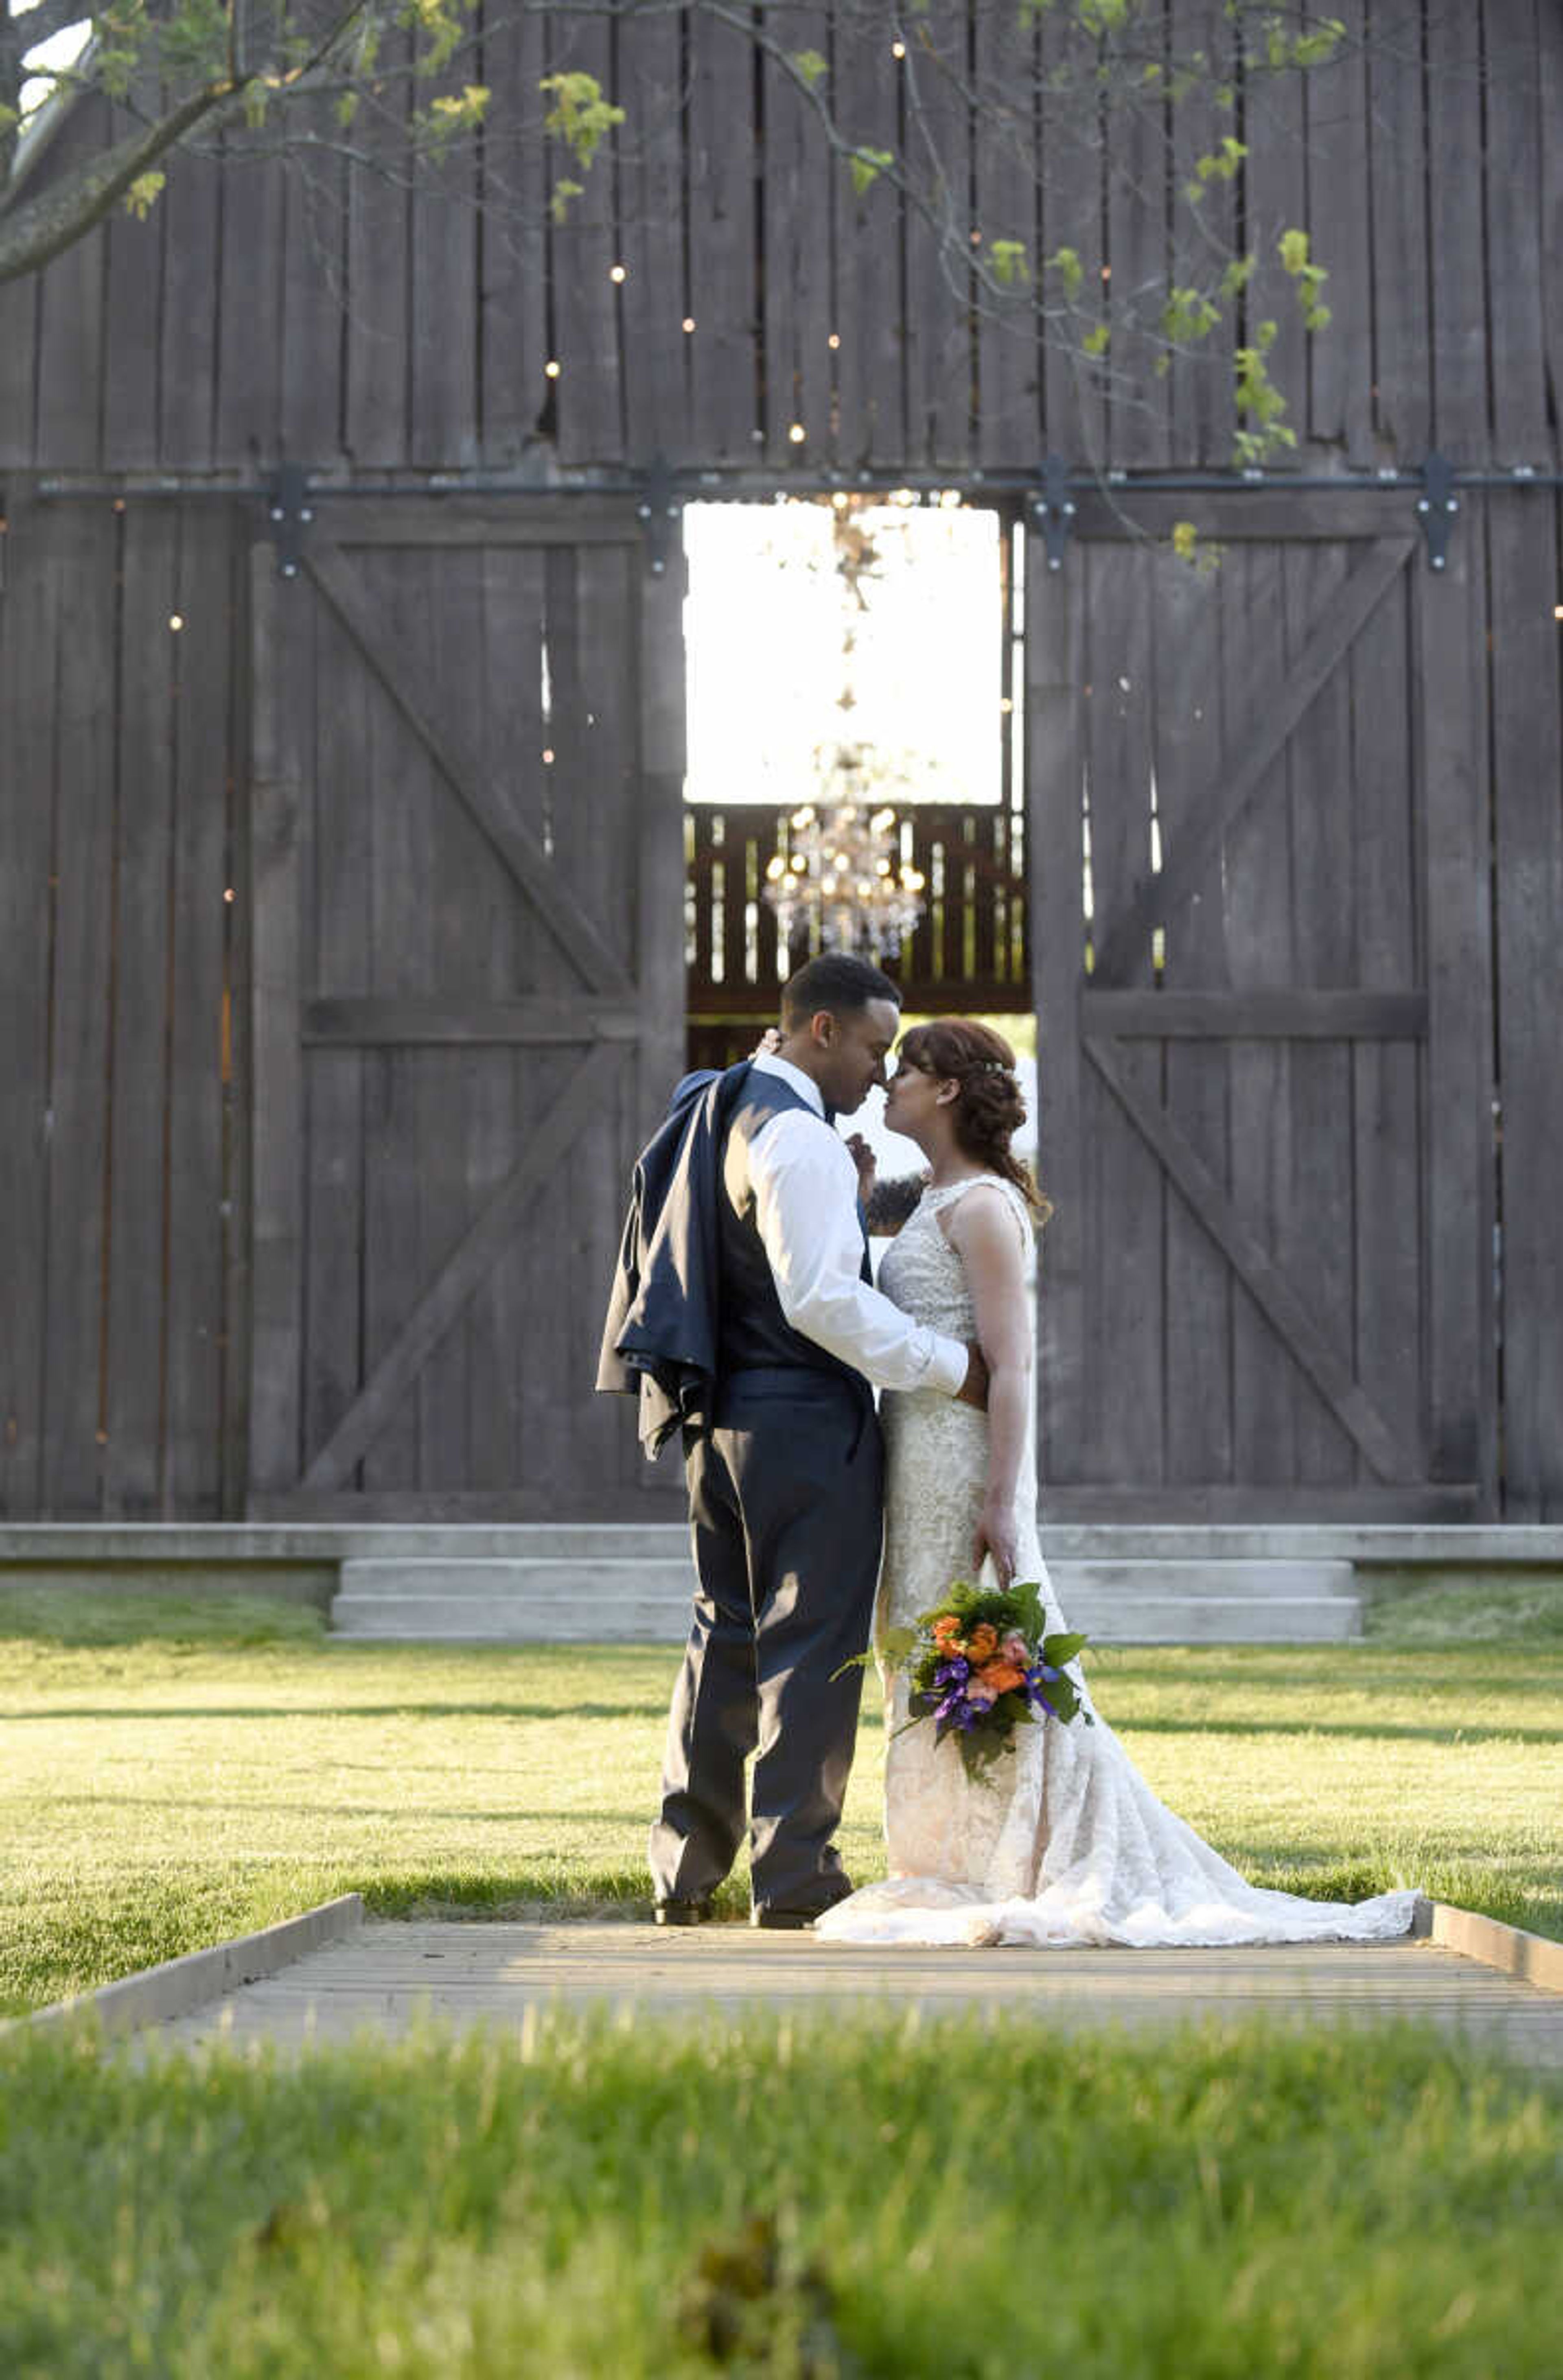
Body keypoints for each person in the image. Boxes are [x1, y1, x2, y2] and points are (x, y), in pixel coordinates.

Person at [815, 1018, 1422, 1949]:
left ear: (945, 1091)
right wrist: (857, 1202)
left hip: (965, 1464)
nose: (888, 1084)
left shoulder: (981, 1207)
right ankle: (948, 1854)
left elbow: (1013, 1366)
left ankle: (1012, 1858)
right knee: (921, 1655)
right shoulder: (928, 1196)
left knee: (970, 1649)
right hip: (915, 1460)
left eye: (906, 1071)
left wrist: (1000, 1498)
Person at [598, 955, 987, 1929]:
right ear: (821, 1030)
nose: (876, 1068)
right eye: (871, 1046)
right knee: (813, 1644)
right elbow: (817, 1298)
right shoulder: (802, 1138)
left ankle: (684, 1872)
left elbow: (760, 1259)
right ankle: (796, 1875)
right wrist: (948, 1364)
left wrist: (850, 1211)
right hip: (806, 1420)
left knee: (721, 1633)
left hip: (716, 1417)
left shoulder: (723, 1105)